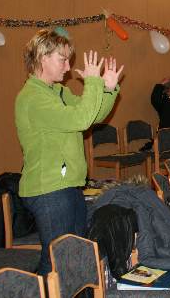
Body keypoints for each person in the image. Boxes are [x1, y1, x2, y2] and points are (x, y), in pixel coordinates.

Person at [15, 29, 124, 274]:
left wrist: (108, 89)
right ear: (43, 57)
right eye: (62, 59)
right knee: (57, 262)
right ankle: (33, 290)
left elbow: (93, 116)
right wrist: (93, 83)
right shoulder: (33, 97)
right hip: (48, 189)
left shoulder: (58, 92)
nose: (68, 67)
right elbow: (81, 120)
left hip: (67, 186)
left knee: (74, 257)